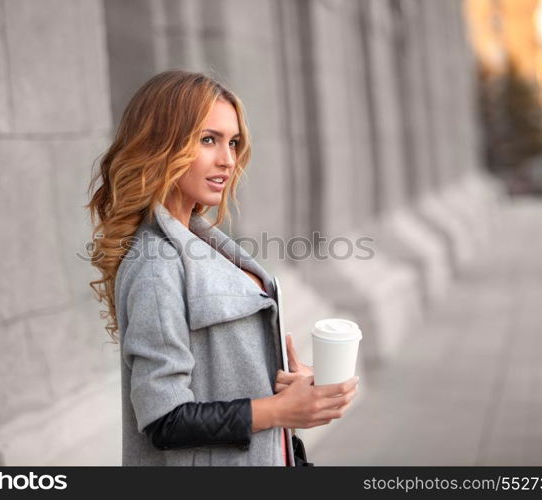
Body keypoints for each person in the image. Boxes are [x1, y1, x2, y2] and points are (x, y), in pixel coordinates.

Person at [87, 70, 358, 466]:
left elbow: (222, 381)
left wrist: (288, 386)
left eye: (232, 143)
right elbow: (165, 419)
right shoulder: (155, 263)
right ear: (162, 144)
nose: (228, 160)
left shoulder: (202, 242)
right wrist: (280, 410)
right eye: (208, 140)